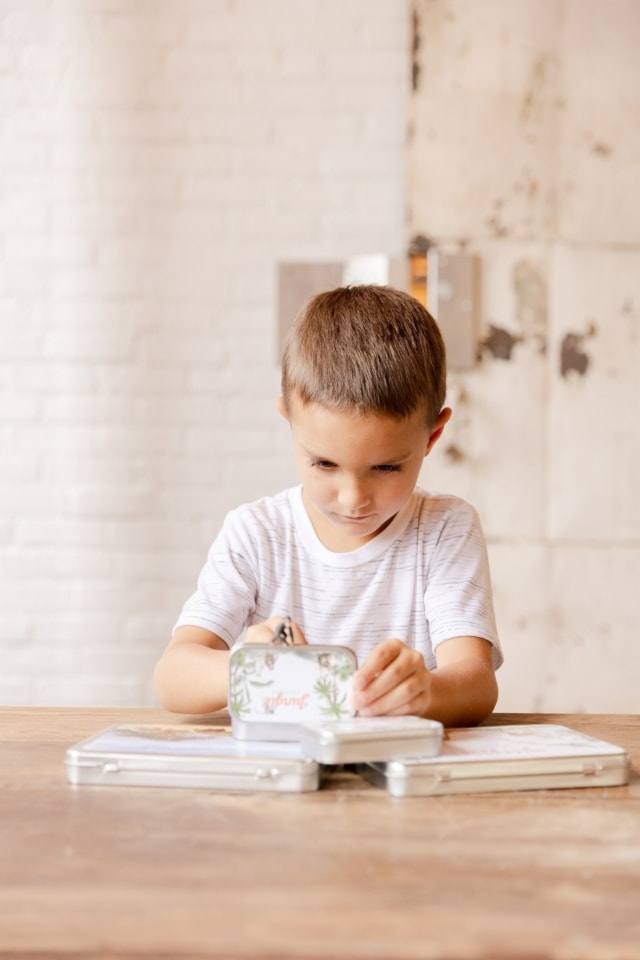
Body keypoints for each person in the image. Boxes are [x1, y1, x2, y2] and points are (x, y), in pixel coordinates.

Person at [153, 284, 502, 725]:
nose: (353, 498)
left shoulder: (445, 529)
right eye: (324, 463)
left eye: (387, 468)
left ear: (432, 436)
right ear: (290, 423)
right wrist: (248, 665)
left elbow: (475, 681)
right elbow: (172, 676)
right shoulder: (256, 533)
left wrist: (425, 691)